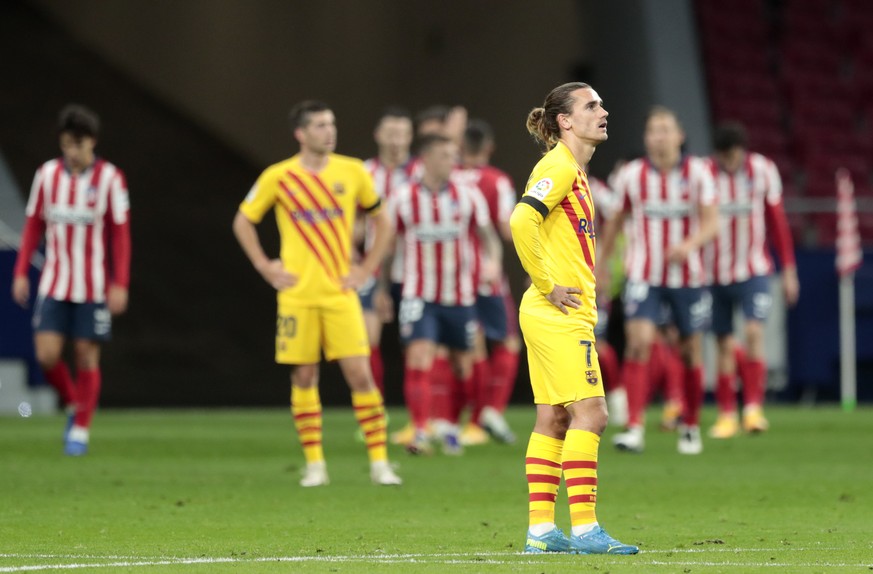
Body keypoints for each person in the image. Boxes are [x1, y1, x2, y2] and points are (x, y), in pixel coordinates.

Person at [232, 100, 401, 487]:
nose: (330, 131)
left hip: (340, 294)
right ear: (301, 133)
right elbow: (243, 220)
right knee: (304, 377)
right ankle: (315, 465)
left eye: (332, 123)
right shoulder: (279, 176)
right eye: (321, 125)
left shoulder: (352, 171)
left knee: (360, 375)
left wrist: (364, 269)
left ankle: (379, 463)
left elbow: (383, 221)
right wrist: (264, 265)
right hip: (297, 296)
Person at [511, 82, 638, 555]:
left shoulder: (576, 172)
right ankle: (586, 530)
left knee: (553, 417)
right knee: (593, 413)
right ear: (565, 120)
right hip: (557, 311)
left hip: (554, 313)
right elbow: (521, 220)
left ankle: (541, 532)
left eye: (602, 104)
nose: (603, 111)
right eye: (591, 106)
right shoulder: (559, 166)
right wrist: (546, 283)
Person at [598, 106, 719, 455]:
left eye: (665, 129)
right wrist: (602, 266)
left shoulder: (698, 173)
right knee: (639, 342)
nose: (659, 136)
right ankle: (634, 426)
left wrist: (689, 244)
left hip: (688, 275)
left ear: (679, 135)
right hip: (643, 274)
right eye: (653, 130)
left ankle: (691, 426)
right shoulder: (632, 175)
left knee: (689, 350)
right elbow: (615, 222)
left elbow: (712, 222)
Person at [12, 104, 131, 456]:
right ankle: (73, 404)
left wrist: (119, 281)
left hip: (92, 285)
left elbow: (120, 234)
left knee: (85, 354)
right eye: (66, 145)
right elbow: (34, 224)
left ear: (91, 142)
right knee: (47, 356)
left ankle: (80, 430)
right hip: (54, 282)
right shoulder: (47, 175)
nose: (72, 153)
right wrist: (20, 272)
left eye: (78, 145)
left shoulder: (110, 179)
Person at [389, 133, 502, 456]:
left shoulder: (467, 196)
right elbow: (387, 245)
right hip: (418, 295)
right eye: (444, 155)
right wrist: (382, 288)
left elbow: (488, 236)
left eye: (453, 155)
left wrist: (492, 263)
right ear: (425, 158)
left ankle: (453, 424)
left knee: (464, 365)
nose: (452, 161)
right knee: (419, 356)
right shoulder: (403, 197)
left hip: (460, 297)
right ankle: (421, 429)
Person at [705, 121, 799, 438]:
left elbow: (777, 220)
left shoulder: (762, 170)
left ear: (741, 151)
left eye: (732, 156)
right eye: (723, 157)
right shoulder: (704, 173)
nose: (728, 163)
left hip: (754, 270)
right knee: (723, 344)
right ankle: (727, 414)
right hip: (713, 271)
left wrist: (788, 270)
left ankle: (754, 409)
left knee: (754, 331)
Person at [453, 119, 520, 446]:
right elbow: (508, 231)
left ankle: (457, 421)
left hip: (450, 277)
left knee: (466, 349)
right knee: (507, 343)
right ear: (490, 147)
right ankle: (488, 412)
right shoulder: (497, 181)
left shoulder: (447, 178)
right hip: (487, 276)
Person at [360, 107, 417, 394]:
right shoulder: (363, 172)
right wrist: (348, 257)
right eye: (390, 134)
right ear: (378, 135)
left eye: (402, 134)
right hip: (373, 267)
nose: (396, 141)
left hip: (416, 271)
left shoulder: (421, 172)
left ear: (410, 137)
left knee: (418, 346)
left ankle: (422, 420)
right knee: (366, 340)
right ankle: (373, 412)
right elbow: (352, 222)